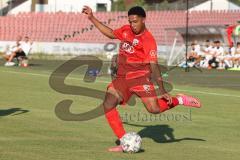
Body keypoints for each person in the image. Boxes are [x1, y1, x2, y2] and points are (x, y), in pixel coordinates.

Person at [82, 6, 201, 152]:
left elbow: (154, 65)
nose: (132, 25)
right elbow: (111, 33)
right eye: (130, 21)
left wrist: (162, 90)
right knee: (108, 104)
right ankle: (124, 141)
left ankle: (180, 100)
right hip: (122, 78)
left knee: (154, 109)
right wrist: (92, 18)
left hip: (140, 77)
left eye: (135, 22)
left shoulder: (148, 40)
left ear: (143, 20)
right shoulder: (126, 30)